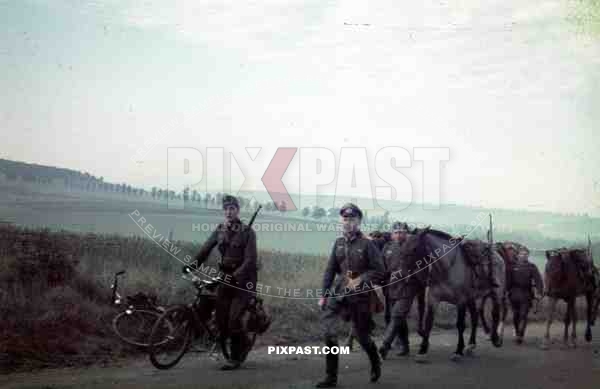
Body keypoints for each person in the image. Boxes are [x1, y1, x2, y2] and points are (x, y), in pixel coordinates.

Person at [316, 203, 385, 388]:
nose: (348, 223)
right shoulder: (338, 243)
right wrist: (324, 295)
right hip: (339, 294)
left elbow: (380, 271)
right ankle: (331, 377)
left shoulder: (367, 244)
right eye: (345, 219)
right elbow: (330, 270)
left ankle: (375, 360)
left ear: (359, 222)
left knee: (362, 337)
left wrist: (362, 278)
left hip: (360, 296)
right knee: (329, 332)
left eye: (352, 219)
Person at [193, 194, 257, 370]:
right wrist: (192, 265)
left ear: (237, 210)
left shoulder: (248, 232)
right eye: (226, 209)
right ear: (223, 211)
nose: (229, 212)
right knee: (221, 320)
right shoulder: (220, 230)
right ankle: (243, 342)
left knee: (233, 319)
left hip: (244, 282)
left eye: (232, 209)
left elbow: (250, 260)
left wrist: (237, 275)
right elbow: (205, 249)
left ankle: (235, 358)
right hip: (225, 279)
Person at [379, 222, 417, 358]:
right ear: (392, 234)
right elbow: (381, 267)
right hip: (391, 288)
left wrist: (404, 273)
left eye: (402, 232)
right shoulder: (387, 247)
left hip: (407, 288)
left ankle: (385, 345)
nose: (399, 234)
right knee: (397, 317)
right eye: (396, 232)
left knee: (396, 315)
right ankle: (405, 345)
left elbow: (420, 267)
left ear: (406, 233)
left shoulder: (414, 248)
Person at [508, 246, 543, 344]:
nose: (523, 256)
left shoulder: (532, 267)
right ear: (518, 255)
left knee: (523, 315)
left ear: (528, 256)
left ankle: (520, 335)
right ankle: (517, 331)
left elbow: (538, 280)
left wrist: (540, 292)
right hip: (513, 294)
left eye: (525, 254)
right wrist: (505, 292)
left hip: (526, 294)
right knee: (515, 315)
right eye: (521, 254)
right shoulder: (512, 266)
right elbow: (508, 281)